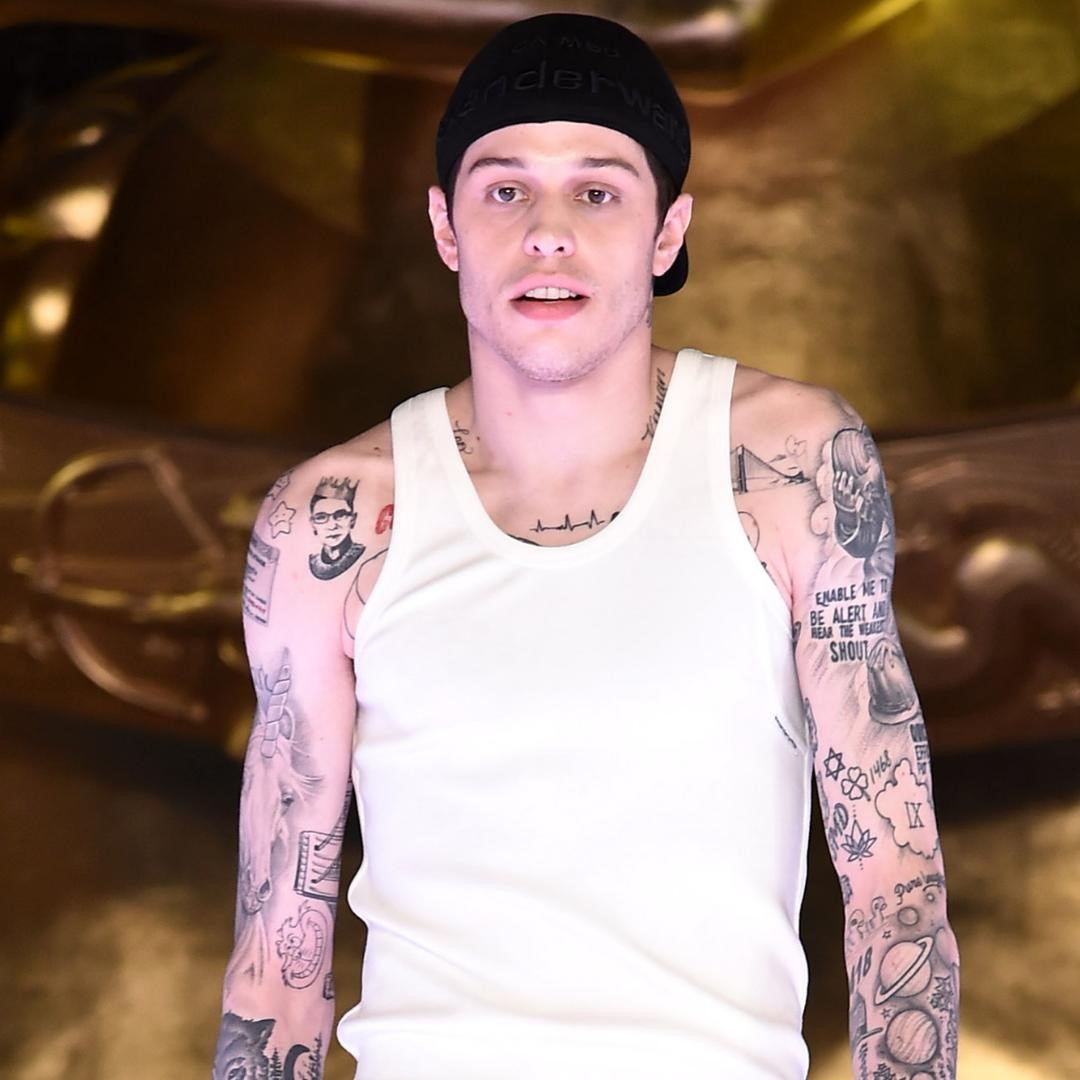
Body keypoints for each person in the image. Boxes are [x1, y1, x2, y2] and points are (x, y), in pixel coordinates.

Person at [214, 12, 959, 1080]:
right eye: (504, 190)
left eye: (598, 192)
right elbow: (275, 952)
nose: (548, 233)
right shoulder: (327, 518)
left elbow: (894, 879)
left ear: (668, 232)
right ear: (445, 227)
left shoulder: (792, 463)